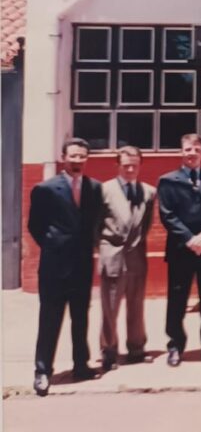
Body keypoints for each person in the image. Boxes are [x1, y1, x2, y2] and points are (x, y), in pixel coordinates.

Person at [28, 138, 102, 395]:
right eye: (73, 156)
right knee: (50, 319)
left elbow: (94, 222)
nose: (78, 161)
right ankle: (42, 371)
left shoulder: (95, 188)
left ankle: (81, 365)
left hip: (82, 264)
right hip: (54, 266)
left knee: (80, 317)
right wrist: (53, 245)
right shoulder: (45, 189)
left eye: (82, 156)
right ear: (63, 156)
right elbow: (35, 226)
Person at [158, 133, 201, 366]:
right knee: (177, 300)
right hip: (181, 249)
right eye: (187, 149)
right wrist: (190, 239)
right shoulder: (168, 180)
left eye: (196, 149)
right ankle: (175, 346)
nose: (192, 153)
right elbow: (167, 215)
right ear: (181, 152)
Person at [97, 146, 156, 371]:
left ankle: (136, 348)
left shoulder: (149, 192)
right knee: (110, 306)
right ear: (117, 165)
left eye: (134, 165)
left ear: (140, 165)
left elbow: (146, 224)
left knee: (136, 304)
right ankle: (109, 351)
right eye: (125, 165)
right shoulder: (104, 190)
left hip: (136, 254)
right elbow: (95, 225)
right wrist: (105, 247)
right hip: (112, 253)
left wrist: (136, 245)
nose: (130, 169)